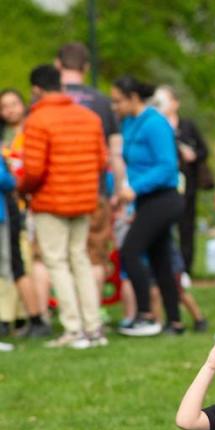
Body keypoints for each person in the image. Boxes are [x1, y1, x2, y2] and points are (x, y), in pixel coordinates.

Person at [19, 65, 107, 349]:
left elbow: (33, 169)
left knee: (57, 262)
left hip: (50, 201)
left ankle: (73, 329)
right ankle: (94, 327)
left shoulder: (37, 119)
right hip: (83, 200)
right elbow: (101, 162)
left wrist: (24, 190)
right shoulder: (89, 117)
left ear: (37, 89)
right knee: (80, 259)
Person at [112, 75, 184, 336]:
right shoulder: (129, 123)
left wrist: (135, 187)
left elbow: (167, 166)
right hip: (144, 200)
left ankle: (145, 315)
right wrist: (123, 191)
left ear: (133, 98)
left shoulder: (155, 123)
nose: (115, 106)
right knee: (160, 260)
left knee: (130, 250)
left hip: (164, 198)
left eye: (118, 101)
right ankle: (174, 322)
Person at [57, 42, 126, 294]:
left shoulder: (46, 100)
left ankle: (57, 320)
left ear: (57, 64)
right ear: (86, 67)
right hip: (93, 192)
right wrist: (118, 190)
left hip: (54, 193)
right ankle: (92, 320)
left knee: (54, 259)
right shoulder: (102, 102)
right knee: (94, 256)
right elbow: (116, 155)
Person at [0, 88, 49, 338]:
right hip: (11, 204)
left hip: (27, 202)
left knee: (21, 262)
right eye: (4, 106)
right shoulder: (4, 135)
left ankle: (35, 316)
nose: (9, 110)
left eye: (13, 104)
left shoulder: (32, 130)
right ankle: (15, 316)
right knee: (13, 262)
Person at [154, 85, 210, 276]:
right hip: (164, 184)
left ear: (175, 103)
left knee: (186, 224)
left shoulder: (187, 126)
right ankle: (168, 265)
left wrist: (192, 155)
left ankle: (186, 267)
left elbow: (204, 151)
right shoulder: (155, 125)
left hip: (188, 182)